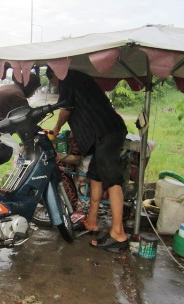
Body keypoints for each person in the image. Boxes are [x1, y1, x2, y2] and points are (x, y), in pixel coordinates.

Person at [46, 67, 129, 252]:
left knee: (112, 178)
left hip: (107, 132)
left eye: (53, 84)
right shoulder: (79, 76)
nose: (56, 87)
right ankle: (91, 222)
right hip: (105, 132)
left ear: (54, 75)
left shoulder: (66, 77)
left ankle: (118, 234)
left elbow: (66, 109)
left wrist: (57, 128)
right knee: (95, 175)